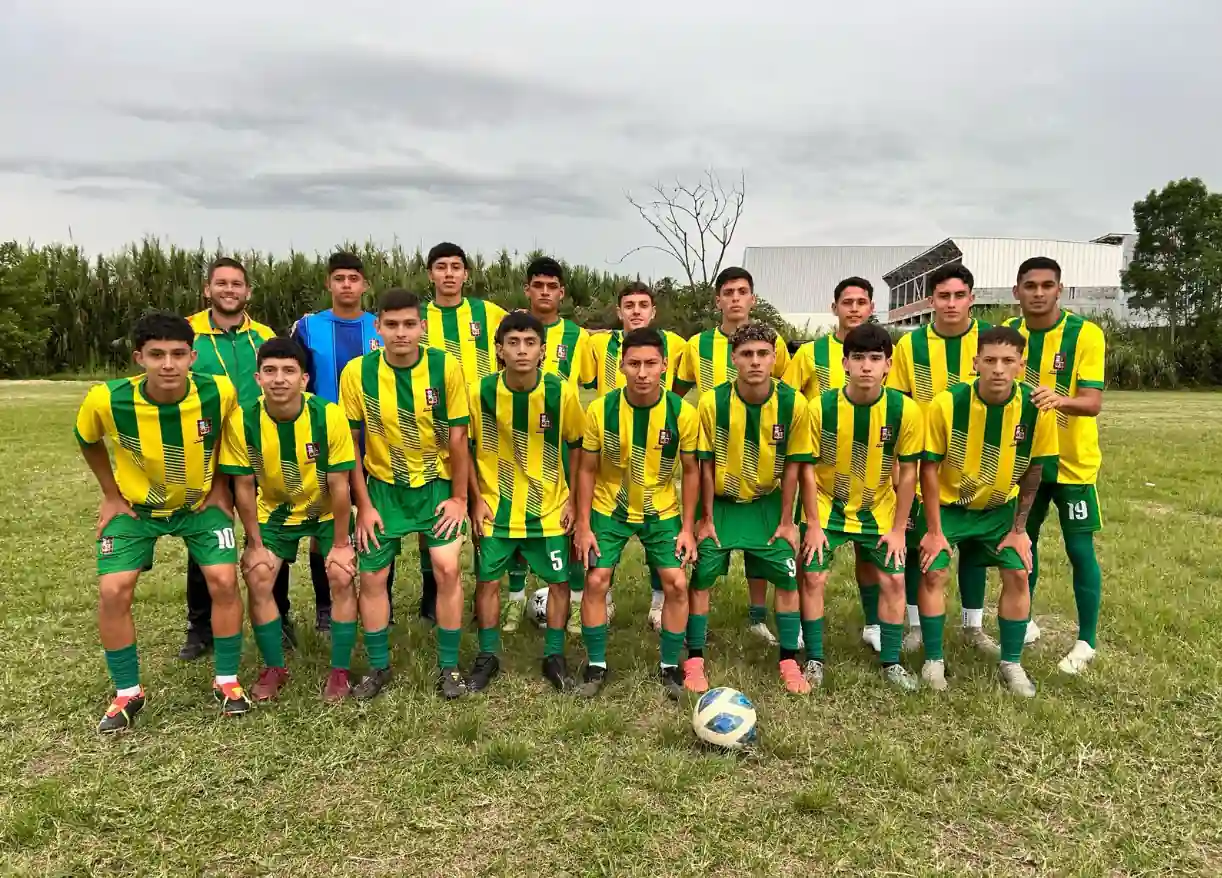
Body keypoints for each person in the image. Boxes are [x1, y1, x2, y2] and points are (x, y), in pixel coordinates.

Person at [76, 312, 248, 732]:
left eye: (177, 354)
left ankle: (226, 681)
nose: (167, 364)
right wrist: (111, 495)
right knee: (113, 590)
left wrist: (220, 487)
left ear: (193, 356)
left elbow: (227, 433)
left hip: (198, 506)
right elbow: (87, 438)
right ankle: (126, 692)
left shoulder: (218, 391)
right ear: (140, 358)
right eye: (156, 355)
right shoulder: (107, 399)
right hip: (138, 510)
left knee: (225, 581)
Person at [340, 288, 470, 700]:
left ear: (422, 327)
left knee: (447, 569)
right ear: (377, 328)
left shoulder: (444, 367)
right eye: (392, 325)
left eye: (409, 324)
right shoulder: (357, 373)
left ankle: (449, 667)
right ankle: (379, 668)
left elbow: (459, 436)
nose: (401, 333)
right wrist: (363, 506)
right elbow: (350, 448)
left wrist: (460, 498)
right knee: (373, 576)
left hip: (435, 486)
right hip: (382, 488)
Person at [916, 326, 1058, 695]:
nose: (998, 368)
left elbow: (1034, 470)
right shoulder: (947, 404)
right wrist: (933, 530)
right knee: (933, 572)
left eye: (1008, 361)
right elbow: (928, 468)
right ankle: (933, 659)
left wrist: (1019, 528)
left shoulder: (1036, 408)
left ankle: (1011, 662)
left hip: (999, 511)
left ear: (1021, 366)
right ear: (976, 362)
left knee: (1018, 573)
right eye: (990, 360)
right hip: (949, 507)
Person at [219, 337, 359, 702]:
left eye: (288, 371)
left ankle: (340, 670)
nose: (279, 379)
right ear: (258, 378)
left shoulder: (328, 415)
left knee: (341, 575)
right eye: (270, 371)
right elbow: (244, 487)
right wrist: (254, 543)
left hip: (326, 510)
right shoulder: (242, 420)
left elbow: (340, 486)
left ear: (304, 379)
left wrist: (342, 545)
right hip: (276, 512)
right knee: (258, 576)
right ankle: (274, 667)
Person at [573, 328, 700, 699]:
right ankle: (596, 665)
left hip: (660, 507)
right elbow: (586, 470)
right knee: (596, 581)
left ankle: (669, 667)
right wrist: (583, 524)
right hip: (608, 506)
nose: (642, 372)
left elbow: (691, 471)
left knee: (676, 583)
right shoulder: (600, 410)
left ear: (664, 366)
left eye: (650, 364)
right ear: (621, 366)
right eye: (634, 364)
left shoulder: (683, 413)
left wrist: (688, 527)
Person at [466, 311, 587, 692]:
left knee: (559, 582)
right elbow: (464, 450)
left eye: (529, 343)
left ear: (543, 350)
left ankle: (554, 655)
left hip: (549, 508)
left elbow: (578, 448)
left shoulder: (560, 392)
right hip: (495, 507)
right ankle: (487, 655)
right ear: (499, 350)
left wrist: (573, 503)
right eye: (513, 343)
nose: (521, 350)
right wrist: (474, 501)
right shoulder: (479, 392)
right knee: (487, 582)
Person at [690, 323, 814, 695]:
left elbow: (794, 465)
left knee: (787, 574)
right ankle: (694, 659)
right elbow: (705, 464)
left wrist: (789, 521)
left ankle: (789, 659)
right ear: (734, 359)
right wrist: (706, 517)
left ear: (775, 358)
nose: (755, 361)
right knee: (701, 575)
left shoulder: (794, 402)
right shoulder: (712, 402)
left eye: (763, 354)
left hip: (767, 504)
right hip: (723, 506)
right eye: (747, 354)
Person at [798, 324, 922, 691]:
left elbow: (909, 472)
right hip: (826, 504)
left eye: (874, 358)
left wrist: (899, 530)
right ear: (845, 363)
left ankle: (890, 662)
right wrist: (814, 524)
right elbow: (805, 469)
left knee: (894, 578)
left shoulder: (904, 410)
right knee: (814, 576)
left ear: (888, 365)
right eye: (858, 358)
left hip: (878, 506)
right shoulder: (818, 407)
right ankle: (815, 658)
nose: (866, 366)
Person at [674, 266, 790, 646]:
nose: (736, 298)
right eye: (729, 292)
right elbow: (677, 391)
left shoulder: (773, 343)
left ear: (752, 299)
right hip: (716, 450)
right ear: (718, 300)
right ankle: (694, 629)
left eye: (743, 291)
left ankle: (758, 617)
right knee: (709, 555)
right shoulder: (697, 346)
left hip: (760, 456)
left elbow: (781, 395)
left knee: (761, 547)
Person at [887, 264, 994, 656]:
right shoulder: (909, 346)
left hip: (979, 460)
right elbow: (896, 405)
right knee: (922, 544)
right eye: (943, 296)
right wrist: (899, 464)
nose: (951, 304)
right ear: (930, 301)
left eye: (959, 295)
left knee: (975, 549)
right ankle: (916, 626)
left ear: (971, 298)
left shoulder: (987, 341)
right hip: (922, 460)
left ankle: (973, 625)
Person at [1007, 257, 1106, 674]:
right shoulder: (1008, 335)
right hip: (1024, 463)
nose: (1039, 292)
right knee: (1021, 543)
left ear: (1059, 290)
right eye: (1030, 285)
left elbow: (1093, 402)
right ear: (1017, 292)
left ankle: (1086, 641)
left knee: (1079, 548)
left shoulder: (1085, 334)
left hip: (1072, 464)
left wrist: (1058, 399)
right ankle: (1024, 623)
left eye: (1047, 285)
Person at [180, 257, 279, 662]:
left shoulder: (265, 335)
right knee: (209, 535)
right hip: (209, 451)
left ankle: (280, 615)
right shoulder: (188, 334)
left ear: (248, 292)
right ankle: (200, 626)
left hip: (260, 446)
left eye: (237, 284)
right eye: (221, 283)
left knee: (270, 530)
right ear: (208, 290)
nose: (229, 290)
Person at [783, 276, 888, 655]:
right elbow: (790, 398)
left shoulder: (883, 354)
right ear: (835, 308)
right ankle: (798, 626)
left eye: (862, 302)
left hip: (871, 467)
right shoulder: (811, 354)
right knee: (811, 554)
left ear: (871, 308)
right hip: (823, 469)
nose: (855, 308)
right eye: (848, 302)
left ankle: (875, 622)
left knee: (868, 551)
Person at [580, 281, 688, 632]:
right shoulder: (597, 344)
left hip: (656, 461)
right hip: (612, 451)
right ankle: (603, 602)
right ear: (619, 310)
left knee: (663, 543)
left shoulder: (677, 346)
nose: (637, 310)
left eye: (644, 304)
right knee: (598, 568)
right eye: (630, 305)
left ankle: (660, 603)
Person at [290, 251, 385, 632]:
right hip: (324, 439)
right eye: (339, 278)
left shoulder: (380, 327)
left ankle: (380, 600)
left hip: (377, 439)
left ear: (364, 285)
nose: (347, 284)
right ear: (329, 284)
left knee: (376, 520)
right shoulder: (309, 327)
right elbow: (297, 377)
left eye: (353, 278)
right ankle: (326, 606)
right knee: (325, 523)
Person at [418, 242, 508, 625]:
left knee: (480, 507)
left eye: (456, 267)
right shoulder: (418, 317)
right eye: (441, 267)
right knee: (436, 510)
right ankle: (431, 591)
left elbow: (525, 334)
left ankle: (481, 589)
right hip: (434, 427)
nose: (449, 274)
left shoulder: (489, 314)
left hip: (485, 424)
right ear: (431, 274)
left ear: (466, 273)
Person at [500, 256, 589, 635]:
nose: (545, 292)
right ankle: (515, 599)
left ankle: (577, 599)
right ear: (528, 290)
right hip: (516, 439)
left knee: (566, 523)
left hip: (558, 441)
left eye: (552, 287)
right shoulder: (510, 330)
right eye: (539, 286)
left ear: (562, 293)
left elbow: (595, 385)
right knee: (515, 518)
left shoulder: (579, 337)